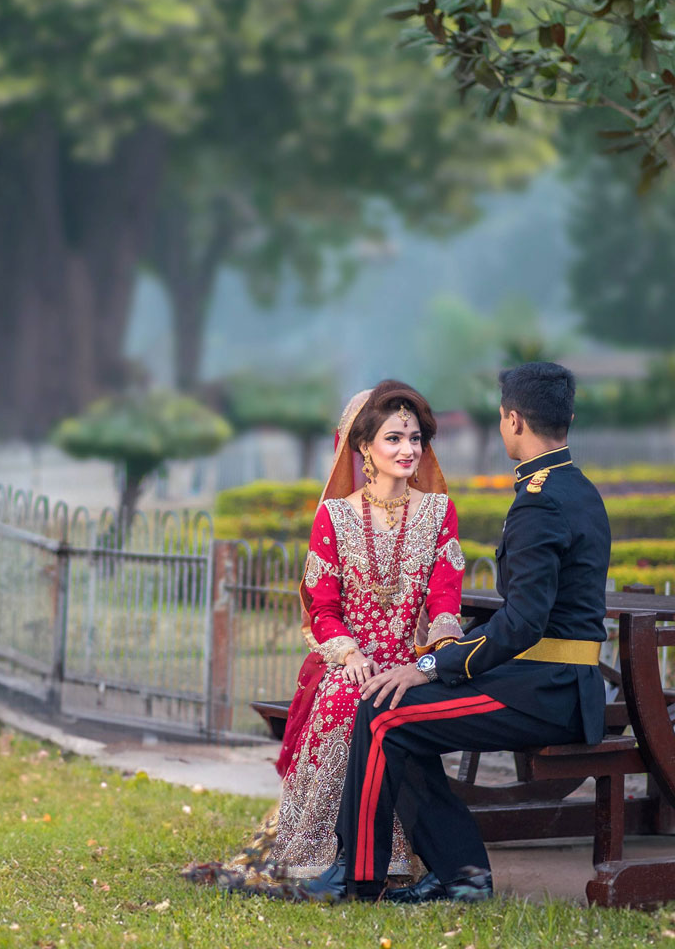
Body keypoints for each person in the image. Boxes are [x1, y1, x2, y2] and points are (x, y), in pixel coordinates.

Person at [291, 361, 610, 904]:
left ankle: (357, 876)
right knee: (396, 705)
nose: (408, 447)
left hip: (549, 688)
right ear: (568, 417)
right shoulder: (577, 489)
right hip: (553, 678)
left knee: (388, 712)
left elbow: (522, 624)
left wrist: (431, 665)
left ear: (512, 421)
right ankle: (460, 874)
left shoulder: (540, 500)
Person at [184, 380, 467, 891]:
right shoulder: (334, 516)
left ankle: (395, 857)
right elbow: (323, 609)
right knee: (347, 695)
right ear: (363, 448)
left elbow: (446, 599)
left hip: (409, 659)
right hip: (348, 660)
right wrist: (351, 653)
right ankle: (317, 852)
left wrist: (439, 655)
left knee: (392, 694)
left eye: (415, 438)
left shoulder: (437, 513)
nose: (408, 450)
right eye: (394, 439)